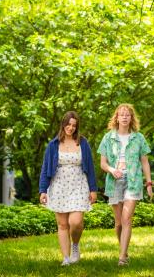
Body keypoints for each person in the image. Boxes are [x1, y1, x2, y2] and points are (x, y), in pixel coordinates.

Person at [39, 111, 98, 266]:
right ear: (63, 124)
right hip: (58, 187)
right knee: (63, 225)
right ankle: (66, 258)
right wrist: (43, 190)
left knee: (76, 222)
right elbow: (45, 169)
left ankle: (75, 245)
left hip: (78, 185)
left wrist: (93, 189)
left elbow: (90, 168)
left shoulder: (82, 143)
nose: (71, 128)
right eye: (68, 124)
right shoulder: (53, 145)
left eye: (74, 125)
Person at [98, 103, 153, 266]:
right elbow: (103, 163)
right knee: (119, 223)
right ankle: (124, 249)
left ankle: (122, 257)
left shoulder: (138, 137)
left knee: (127, 218)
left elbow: (145, 162)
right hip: (114, 181)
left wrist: (148, 183)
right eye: (121, 114)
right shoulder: (108, 137)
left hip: (133, 181)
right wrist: (111, 170)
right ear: (116, 117)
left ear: (131, 118)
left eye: (127, 114)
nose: (124, 117)